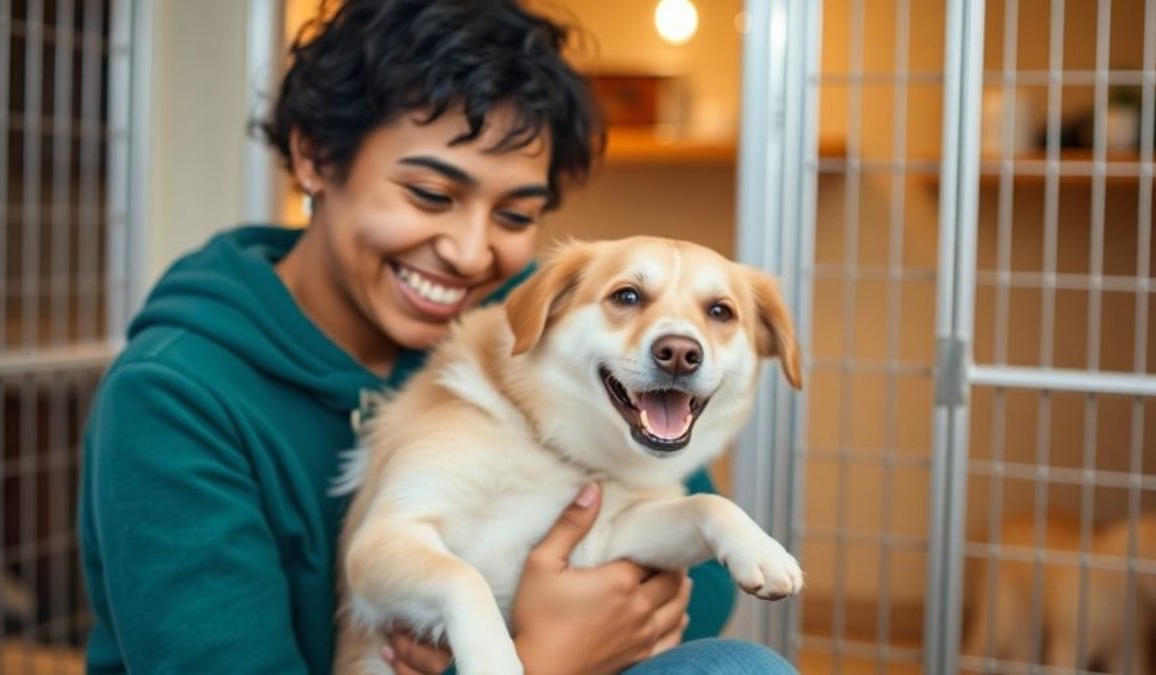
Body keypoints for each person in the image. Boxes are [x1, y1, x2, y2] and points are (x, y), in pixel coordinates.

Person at [77, 1, 798, 673]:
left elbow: (703, 585)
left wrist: (536, 619)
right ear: (314, 158)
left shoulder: (523, 318)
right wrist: (542, 652)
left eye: (515, 215)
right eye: (430, 195)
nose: (468, 252)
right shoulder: (174, 396)